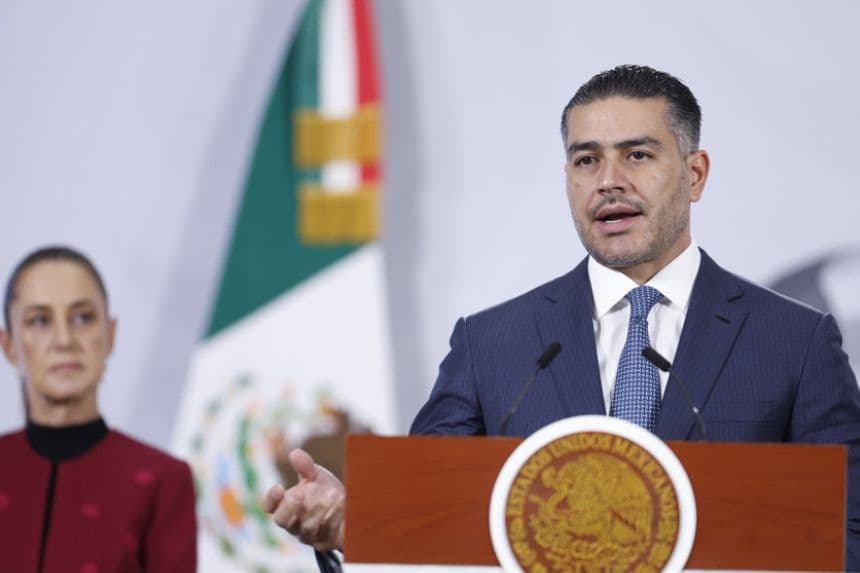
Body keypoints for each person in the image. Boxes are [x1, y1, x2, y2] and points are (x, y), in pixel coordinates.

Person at [263, 65, 860, 571]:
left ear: (696, 173)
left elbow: (850, 537)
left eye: (638, 155)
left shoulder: (796, 342)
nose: (608, 183)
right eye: (586, 161)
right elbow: (429, 537)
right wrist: (357, 525)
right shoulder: (492, 344)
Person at [0, 246, 197, 573]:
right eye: (39, 320)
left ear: (109, 334)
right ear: (10, 346)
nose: (64, 340)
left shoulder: (162, 481)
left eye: (82, 318)